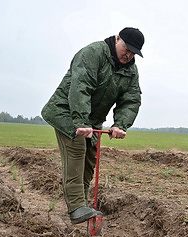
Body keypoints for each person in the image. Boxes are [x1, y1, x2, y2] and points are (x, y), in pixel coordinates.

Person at [41, 27, 145, 224]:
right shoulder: (93, 53)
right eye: (126, 48)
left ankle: (83, 205)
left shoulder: (130, 69)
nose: (128, 54)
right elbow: (81, 87)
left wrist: (120, 124)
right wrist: (80, 121)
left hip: (92, 120)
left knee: (90, 159)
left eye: (133, 52)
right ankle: (77, 207)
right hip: (66, 112)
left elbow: (131, 99)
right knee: (77, 151)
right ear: (117, 39)